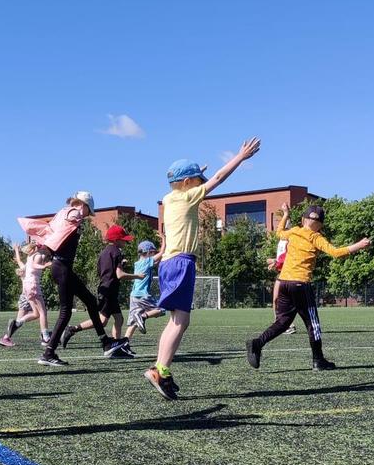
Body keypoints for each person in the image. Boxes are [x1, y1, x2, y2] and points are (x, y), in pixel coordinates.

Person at [144, 139, 260, 400]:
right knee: (181, 321)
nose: (201, 185)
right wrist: (239, 157)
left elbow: (183, 181)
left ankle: (160, 369)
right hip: (181, 262)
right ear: (187, 183)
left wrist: (194, 173)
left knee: (176, 320)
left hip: (168, 264)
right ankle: (160, 370)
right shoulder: (188, 196)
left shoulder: (169, 198)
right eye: (198, 181)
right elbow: (218, 178)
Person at [245, 204, 370, 371]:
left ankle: (257, 343)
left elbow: (279, 232)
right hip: (300, 284)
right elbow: (336, 252)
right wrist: (360, 245)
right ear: (321, 225)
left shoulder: (294, 231)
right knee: (313, 324)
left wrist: (286, 214)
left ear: (303, 219)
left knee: (283, 322)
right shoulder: (316, 237)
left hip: (284, 282)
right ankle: (318, 361)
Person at [21, 195, 125, 366]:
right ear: (83, 205)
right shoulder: (72, 213)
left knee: (89, 302)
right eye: (88, 211)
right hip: (61, 267)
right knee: (66, 312)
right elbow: (69, 218)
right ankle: (49, 353)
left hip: (62, 268)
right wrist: (75, 216)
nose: (86, 216)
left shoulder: (61, 215)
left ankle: (105, 343)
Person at [61, 224, 138, 352]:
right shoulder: (117, 252)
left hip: (106, 289)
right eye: (123, 240)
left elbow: (103, 270)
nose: (126, 242)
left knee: (119, 319)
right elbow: (120, 275)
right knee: (102, 321)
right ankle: (72, 329)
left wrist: (120, 264)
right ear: (116, 240)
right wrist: (137, 276)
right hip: (109, 291)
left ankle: (117, 346)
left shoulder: (104, 252)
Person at [0, 241, 52, 347]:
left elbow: (20, 261)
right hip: (32, 288)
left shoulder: (29, 259)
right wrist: (45, 265)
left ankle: (16, 325)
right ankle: (45, 337)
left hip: (28, 290)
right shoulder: (37, 256)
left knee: (36, 314)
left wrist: (16, 250)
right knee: (42, 313)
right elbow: (35, 264)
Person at [124, 240, 165, 341]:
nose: (154, 255)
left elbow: (157, 261)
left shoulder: (138, 263)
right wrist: (164, 240)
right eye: (153, 253)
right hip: (142, 295)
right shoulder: (146, 262)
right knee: (161, 309)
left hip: (134, 296)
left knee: (133, 323)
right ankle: (142, 316)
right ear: (148, 252)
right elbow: (162, 253)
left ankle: (124, 343)